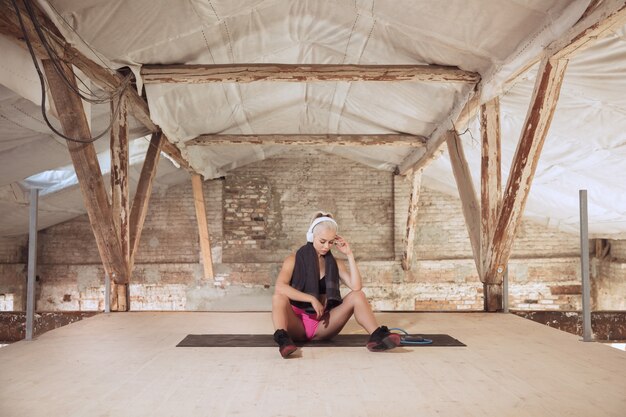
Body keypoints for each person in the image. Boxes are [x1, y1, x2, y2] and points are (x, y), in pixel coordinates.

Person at [271, 211, 400, 358]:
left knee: (358, 295)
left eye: (331, 242)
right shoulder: (293, 259)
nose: (326, 246)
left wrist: (349, 254)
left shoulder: (335, 263)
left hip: (322, 325)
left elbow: (356, 287)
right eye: (322, 241)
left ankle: (377, 337)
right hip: (297, 324)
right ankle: (283, 340)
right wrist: (311, 299)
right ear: (311, 236)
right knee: (278, 297)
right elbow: (280, 287)